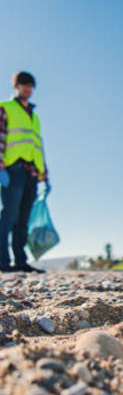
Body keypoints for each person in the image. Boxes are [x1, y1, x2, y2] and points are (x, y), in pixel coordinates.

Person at [0, 72, 51, 273]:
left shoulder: (34, 117)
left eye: (30, 85)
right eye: (23, 85)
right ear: (16, 86)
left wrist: (44, 175)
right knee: (9, 216)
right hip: (13, 169)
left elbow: (38, 146)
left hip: (32, 173)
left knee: (23, 219)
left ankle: (20, 260)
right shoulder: (5, 108)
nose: (27, 89)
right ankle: (2, 261)